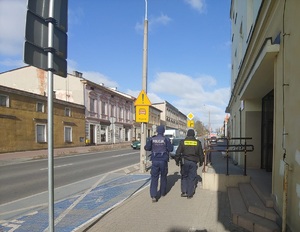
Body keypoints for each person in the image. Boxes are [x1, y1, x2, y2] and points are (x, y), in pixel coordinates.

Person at [144, 125, 174, 202]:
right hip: (163, 161)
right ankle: (163, 192)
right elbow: (171, 149)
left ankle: (153, 195)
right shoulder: (166, 139)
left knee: (154, 178)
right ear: (163, 131)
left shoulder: (152, 139)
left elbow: (147, 148)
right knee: (163, 176)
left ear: (157, 131)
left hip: (155, 161)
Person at [175, 129, 204, 199]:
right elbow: (201, 154)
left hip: (184, 162)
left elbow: (178, 153)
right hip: (193, 162)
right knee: (191, 177)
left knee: (184, 176)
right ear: (194, 134)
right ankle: (190, 194)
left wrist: (177, 161)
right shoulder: (197, 143)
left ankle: (184, 192)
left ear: (187, 134)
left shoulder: (183, 142)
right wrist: (201, 162)